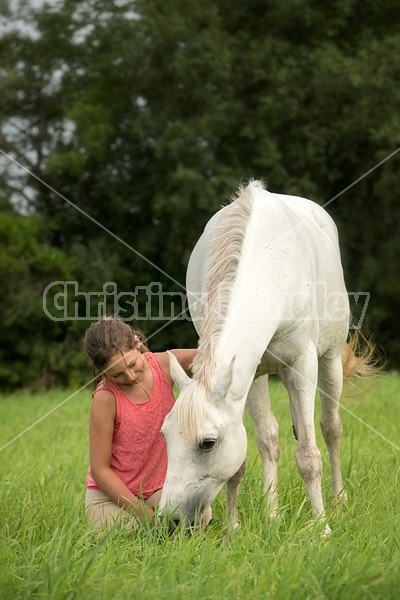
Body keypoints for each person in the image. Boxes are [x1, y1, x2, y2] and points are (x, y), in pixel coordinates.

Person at [83, 315, 208, 531]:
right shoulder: (105, 398)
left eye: (132, 364)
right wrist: (145, 516)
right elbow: (100, 469)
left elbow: (210, 355)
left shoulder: (164, 365)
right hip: (111, 495)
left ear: (137, 342)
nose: (130, 376)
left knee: (198, 518)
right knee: (137, 532)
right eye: (117, 374)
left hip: (158, 486)